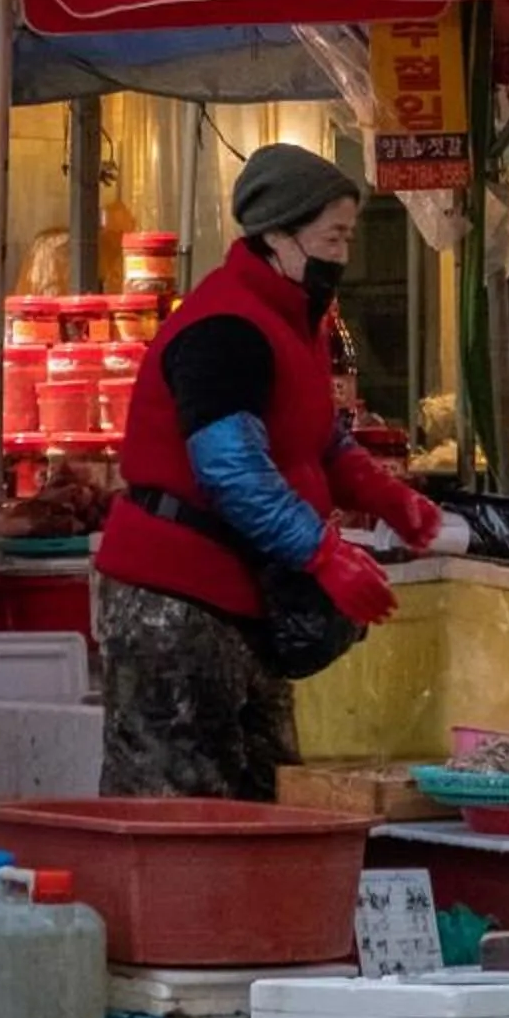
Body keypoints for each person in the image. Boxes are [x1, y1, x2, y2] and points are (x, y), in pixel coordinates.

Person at [95, 143, 442, 799]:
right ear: (278, 236)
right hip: (173, 602)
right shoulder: (225, 327)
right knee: (180, 806)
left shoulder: (292, 321)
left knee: (268, 800)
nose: (344, 255)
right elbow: (232, 471)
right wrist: (323, 554)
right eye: (332, 237)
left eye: (348, 237)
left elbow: (317, 437)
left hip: (243, 600)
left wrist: (388, 496)